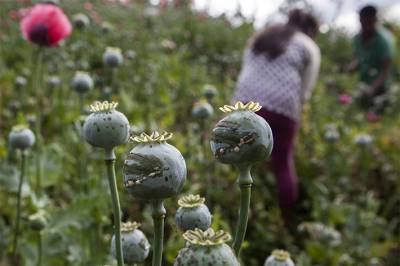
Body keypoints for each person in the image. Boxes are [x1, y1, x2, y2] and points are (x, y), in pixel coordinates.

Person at [232, 9, 320, 222]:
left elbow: (246, 70)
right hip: (282, 107)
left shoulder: (264, 34)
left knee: (233, 152)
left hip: (244, 102)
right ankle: (286, 217)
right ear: (310, 30)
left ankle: (232, 206)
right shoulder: (308, 46)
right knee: (282, 161)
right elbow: (304, 92)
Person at [347, 5, 396, 112]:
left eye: (369, 23)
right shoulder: (357, 38)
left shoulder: (384, 41)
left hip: (380, 92)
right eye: (363, 23)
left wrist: (372, 89)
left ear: (375, 21)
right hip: (362, 86)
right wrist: (352, 67)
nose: (366, 27)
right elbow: (358, 59)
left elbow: (385, 71)